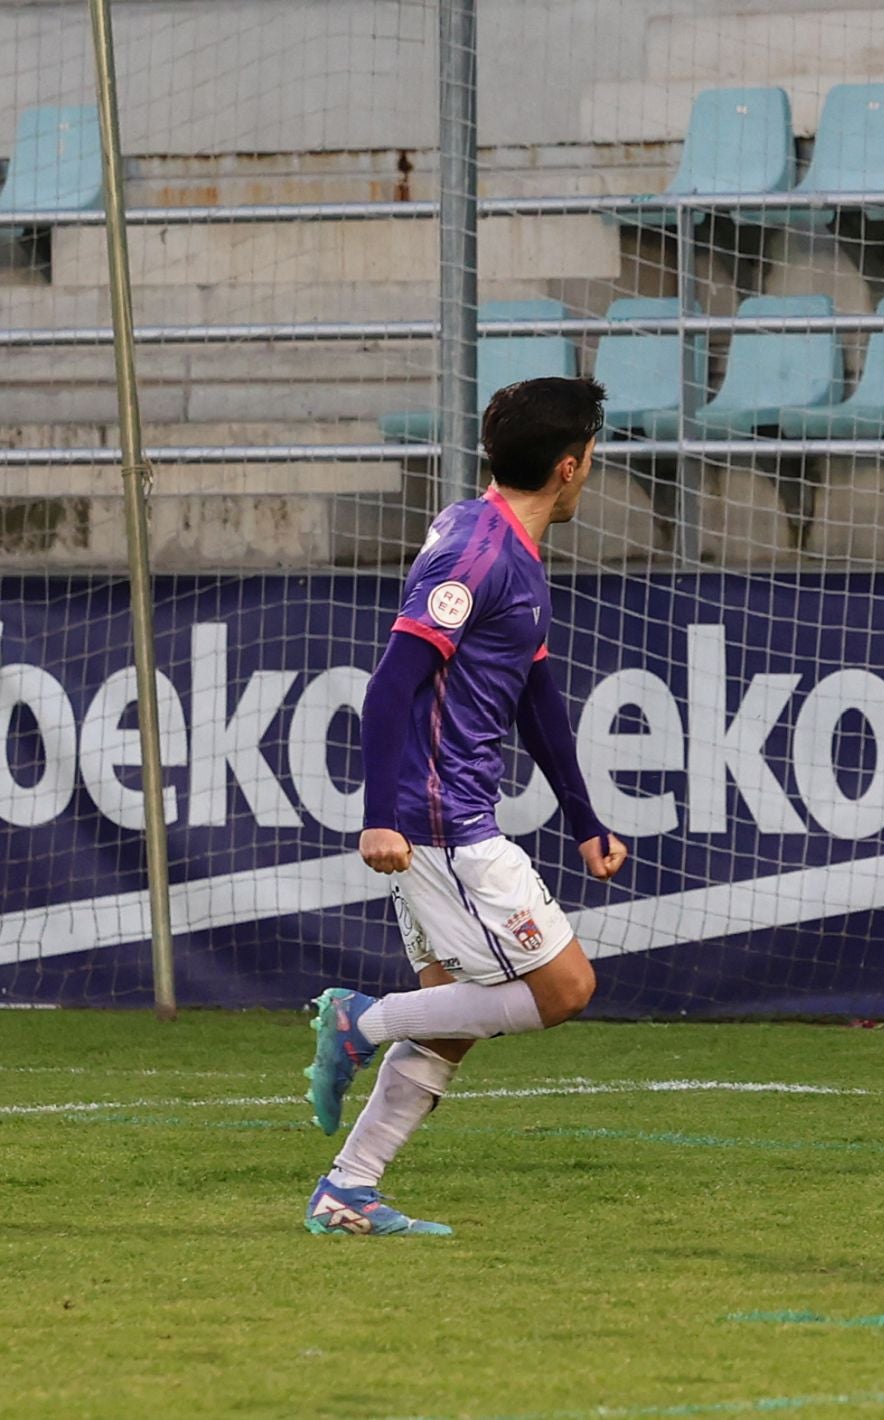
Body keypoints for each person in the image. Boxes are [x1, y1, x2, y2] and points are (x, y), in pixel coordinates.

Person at [302, 376, 630, 1235]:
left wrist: (584, 817)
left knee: (451, 1017)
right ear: (569, 466)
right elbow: (389, 686)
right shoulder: (478, 553)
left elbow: (535, 693)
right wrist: (382, 815)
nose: (591, 470)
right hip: (442, 820)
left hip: (440, 815)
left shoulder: (492, 537)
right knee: (565, 987)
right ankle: (359, 1019)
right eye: (592, 456)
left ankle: (348, 1192)